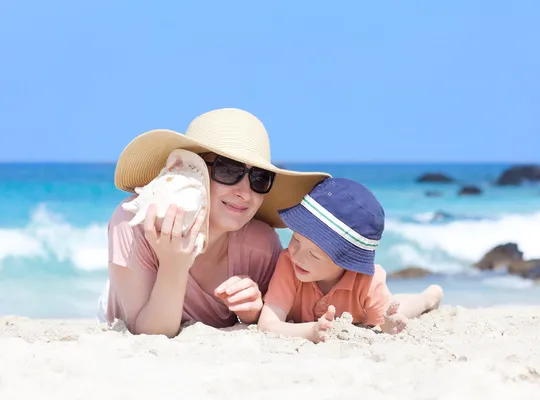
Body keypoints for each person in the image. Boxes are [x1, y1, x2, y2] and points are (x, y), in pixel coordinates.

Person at [100, 108, 330, 338]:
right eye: (229, 170)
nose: (245, 193)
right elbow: (150, 333)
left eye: (259, 178)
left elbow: (281, 316)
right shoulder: (132, 222)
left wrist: (253, 310)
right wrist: (174, 265)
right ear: (191, 170)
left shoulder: (260, 245)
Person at [257, 177, 443, 343]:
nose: (296, 254)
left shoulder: (367, 280)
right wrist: (310, 331)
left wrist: (390, 323)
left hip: (385, 303)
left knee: (395, 309)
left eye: (313, 254)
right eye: (295, 239)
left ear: (346, 260)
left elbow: (384, 327)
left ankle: (428, 298)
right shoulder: (289, 263)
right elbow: (267, 324)